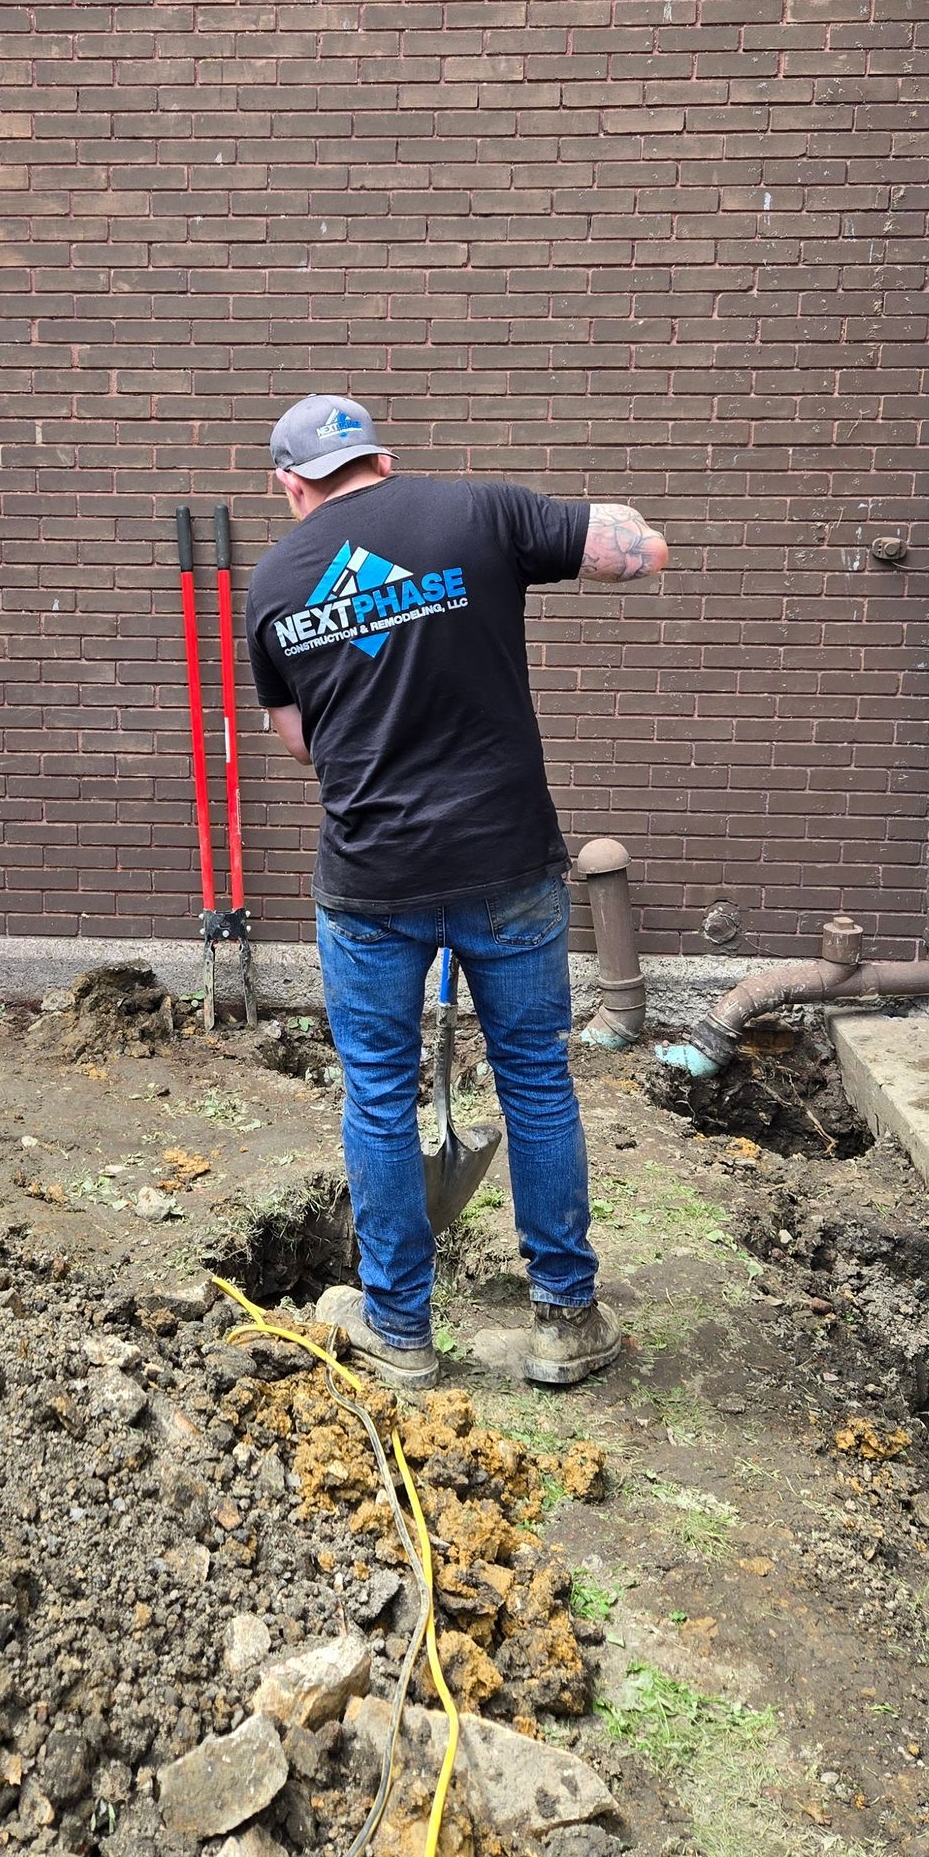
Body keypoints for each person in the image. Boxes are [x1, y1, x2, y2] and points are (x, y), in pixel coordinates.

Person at [245, 395, 668, 1392]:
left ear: (290, 484)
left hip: (373, 880)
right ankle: (567, 1318)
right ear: (382, 463)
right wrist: (630, 533)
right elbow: (639, 551)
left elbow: (300, 739)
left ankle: (400, 1329)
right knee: (535, 1080)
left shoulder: (275, 581)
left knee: (381, 1100)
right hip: (509, 861)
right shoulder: (480, 512)